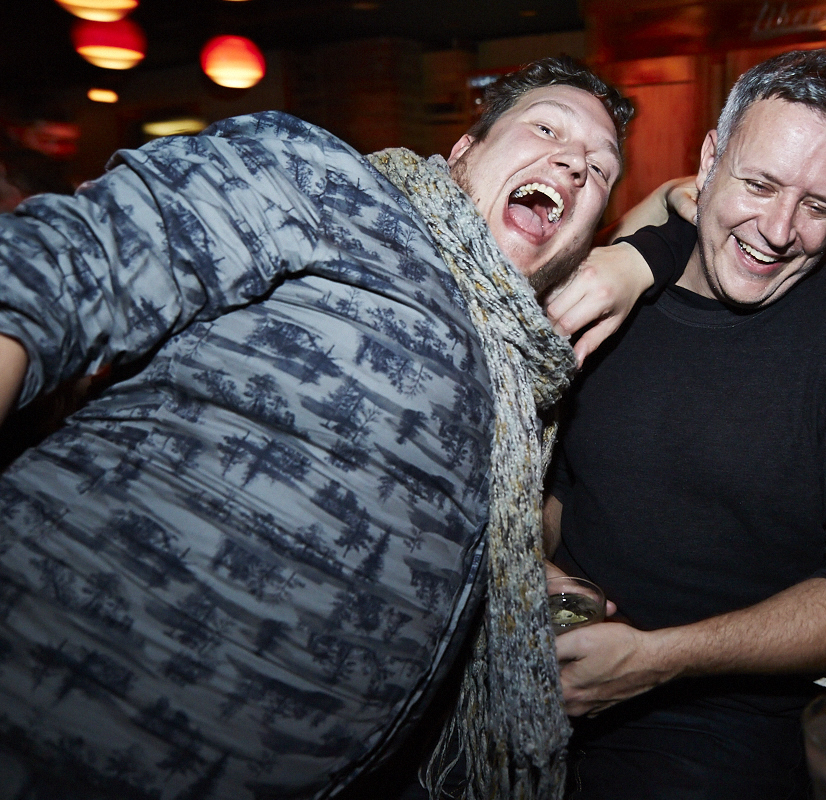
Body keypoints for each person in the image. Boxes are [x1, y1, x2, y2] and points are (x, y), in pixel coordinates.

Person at [0, 56, 632, 800]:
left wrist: (512, 568)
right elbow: (58, 269)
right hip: (54, 691)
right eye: (547, 129)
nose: (574, 162)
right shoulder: (333, 186)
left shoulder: (528, 376)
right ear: (465, 149)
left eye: (600, 169)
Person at [544, 50, 826, 799]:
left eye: (817, 206)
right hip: (537, 685)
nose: (778, 229)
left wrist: (659, 660)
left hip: (718, 736)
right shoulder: (611, 298)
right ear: (708, 160)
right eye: (759, 184)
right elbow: (565, 488)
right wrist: (537, 568)